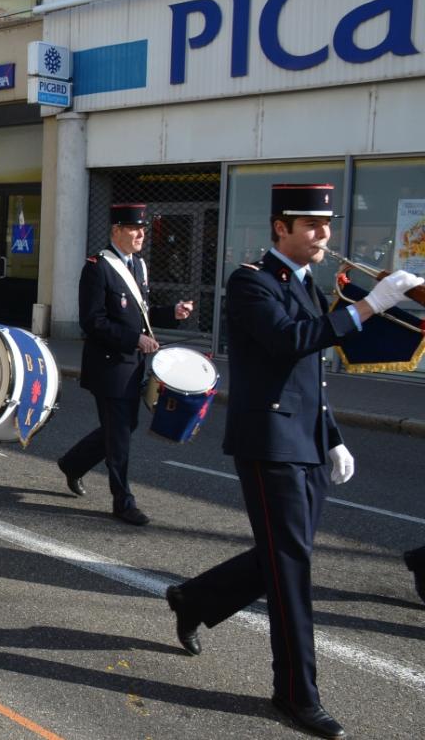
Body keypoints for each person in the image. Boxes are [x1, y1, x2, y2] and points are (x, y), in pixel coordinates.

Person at [163, 183, 423, 740]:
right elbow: (290, 342)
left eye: (326, 226)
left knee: (285, 555)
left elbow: (310, 375)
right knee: (292, 569)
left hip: (306, 440)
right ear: (281, 228)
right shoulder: (252, 280)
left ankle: (194, 598)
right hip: (269, 443)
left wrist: (331, 435)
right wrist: (369, 306)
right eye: (311, 226)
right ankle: (295, 694)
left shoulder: (306, 283)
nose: (323, 235)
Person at [56, 203, 193, 526]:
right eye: (133, 229)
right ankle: (123, 501)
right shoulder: (98, 267)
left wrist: (171, 313)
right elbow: (92, 321)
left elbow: (140, 312)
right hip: (109, 366)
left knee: (121, 428)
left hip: (133, 364)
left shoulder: (139, 266)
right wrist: (134, 338)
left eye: (143, 229)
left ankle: (73, 463)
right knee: (119, 436)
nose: (141, 234)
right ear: (116, 231)